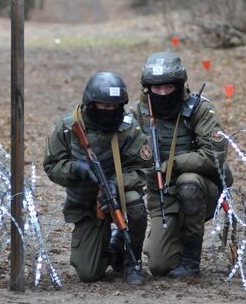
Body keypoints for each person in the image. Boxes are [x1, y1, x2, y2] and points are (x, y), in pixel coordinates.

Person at [43, 72, 152, 285]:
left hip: (118, 195)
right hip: (86, 204)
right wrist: (75, 169)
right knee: (89, 274)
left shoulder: (128, 128)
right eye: (103, 105)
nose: (109, 111)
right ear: (90, 104)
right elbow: (51, 165)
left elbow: (144, 168)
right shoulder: (68, 127)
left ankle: (132, 261)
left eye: (114, 106)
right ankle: (113, 247)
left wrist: (117, 183)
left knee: (135, 203)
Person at [131, 52, 233, 278]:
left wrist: (173, 164)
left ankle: (191, 259)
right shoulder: (138, 114)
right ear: (148, 88)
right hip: (162, 195)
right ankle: (162, 239)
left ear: (179, 85)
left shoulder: (200, 110)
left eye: (169, 87)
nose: (163, 93)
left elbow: (214, 155)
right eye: (157, 88)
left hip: (201, 189)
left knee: (188, 183)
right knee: (158, 265)